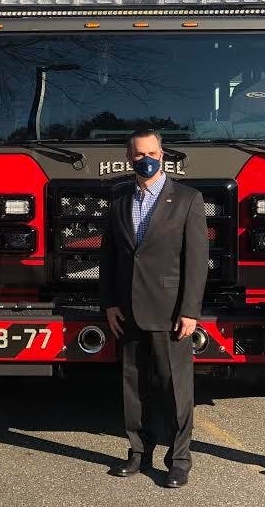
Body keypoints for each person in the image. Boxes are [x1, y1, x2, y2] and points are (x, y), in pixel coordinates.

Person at [99, 129, 208, 489]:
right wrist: (110, 303)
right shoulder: (117, 197)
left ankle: (179, 460)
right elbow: (110, 256)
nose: (144, 158)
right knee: (134, 386)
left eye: (151, 152)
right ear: (129, 157)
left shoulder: (188, 199)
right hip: (128, 309)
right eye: (137, 154)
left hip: (170, 310)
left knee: (175, 388)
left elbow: (196, 261)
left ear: (162, 154)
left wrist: (190, 310)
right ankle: (138, 453)